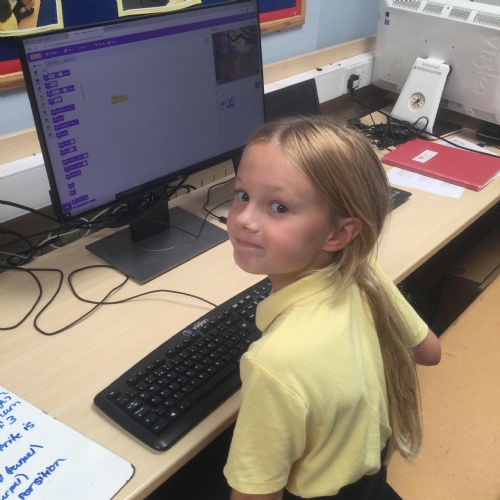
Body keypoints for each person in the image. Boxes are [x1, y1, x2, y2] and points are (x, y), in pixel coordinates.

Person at [223, 115, 441, 500]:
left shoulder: (272, 364)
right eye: (243, 195)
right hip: (372, 483)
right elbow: (429, 351)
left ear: (340, 232)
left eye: (278, 206)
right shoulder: (364, 274)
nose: (244, 220)